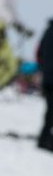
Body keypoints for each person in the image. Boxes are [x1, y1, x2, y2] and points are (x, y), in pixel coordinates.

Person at [37, 19, 53, 151]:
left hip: (46, 77)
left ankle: (44, 138)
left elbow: (38, 53)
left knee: (50, 110)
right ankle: (44, 140)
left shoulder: (47, 31)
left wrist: (43, 69)